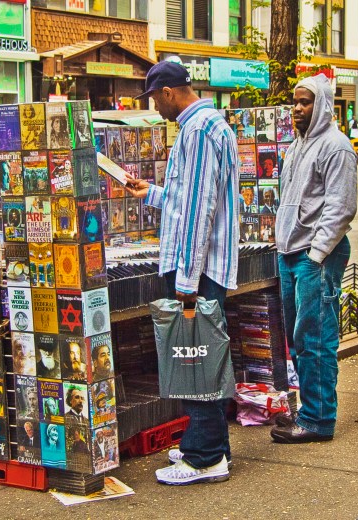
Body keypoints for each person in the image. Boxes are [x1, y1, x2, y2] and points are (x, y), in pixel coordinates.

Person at [125, 60, 238, 485]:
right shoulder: (205, 126)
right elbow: (187, 199)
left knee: (196, 357)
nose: (155, 108)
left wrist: (187, 283)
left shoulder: (198, 130)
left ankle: (205, 457)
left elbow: (198, 211)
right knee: (198, 354)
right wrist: (151, 192)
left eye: (154, 99)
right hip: (202, 265)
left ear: (169, 92)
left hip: (200, 269)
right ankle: (208, 445)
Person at [269, 74, 356, 444]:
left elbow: (341, 206)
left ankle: (319, 419)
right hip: (291, 253)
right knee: (298, 339)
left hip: (314, 255)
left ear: (321, 105)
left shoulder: (336, 147)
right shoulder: (297, 146)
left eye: (305, 103)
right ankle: (309, 410)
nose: (297, 109)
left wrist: (317, 254)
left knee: (316, 339)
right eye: (295, 103)